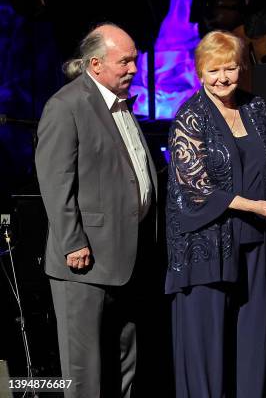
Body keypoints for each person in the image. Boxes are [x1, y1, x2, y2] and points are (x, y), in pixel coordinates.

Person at [165, 30, 266, 398]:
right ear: (199, 72)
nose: (223, 78)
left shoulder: (256, 108)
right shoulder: (190, 117)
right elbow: (195, 187)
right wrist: (252, 205)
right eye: (214, 70)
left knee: (252, 343)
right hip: (206, 244)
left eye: (231, 68)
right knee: (209, 346)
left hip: (256, 241)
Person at [35, 24, 157, 397]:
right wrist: (73, 243)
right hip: (84, 263)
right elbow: (56, 184)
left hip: (126, 258)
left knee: (124, 360)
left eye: (135, 59)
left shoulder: (120, 103)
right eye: (125, 61)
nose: (134, 68)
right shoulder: (66, 106)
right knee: (84, 370)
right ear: (95, 64)